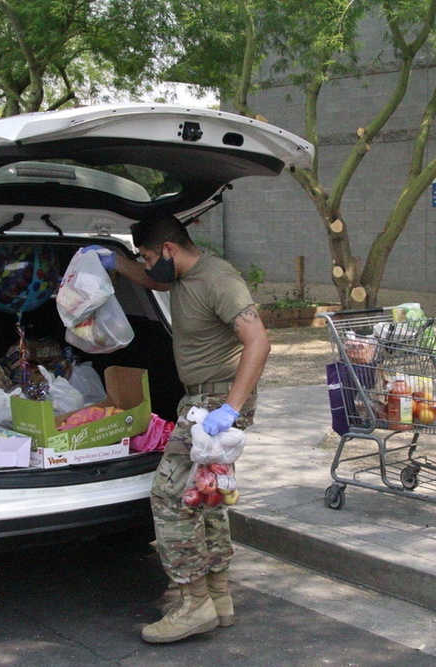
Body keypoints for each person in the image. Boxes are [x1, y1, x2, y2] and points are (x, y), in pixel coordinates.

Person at [93, 213, 270, 643]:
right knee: (205, 499)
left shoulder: (218, 280)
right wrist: (115, 263)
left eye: (150, 255)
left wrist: (230, 409)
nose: (147, 263)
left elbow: (259, 341)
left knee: (169, 499)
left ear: (169, 250)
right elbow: (154, 279)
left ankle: (193, 604)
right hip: (200, 401)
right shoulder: (183, 276)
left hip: (213, 406)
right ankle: (219, 596)